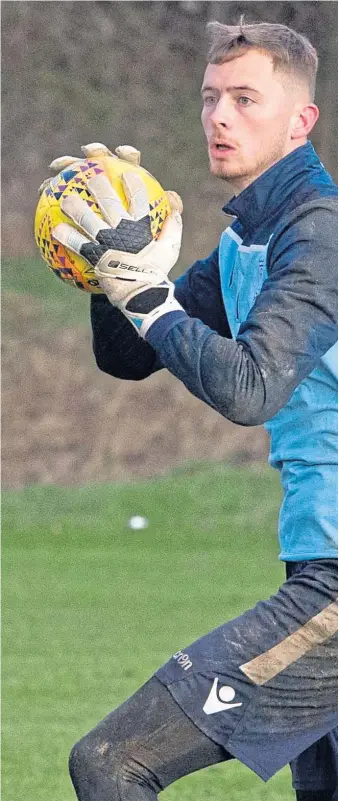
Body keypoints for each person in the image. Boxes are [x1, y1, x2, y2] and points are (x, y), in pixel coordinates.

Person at [50, 19, 338, 801]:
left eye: (245, 99)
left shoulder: (317, 234)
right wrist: (114, 269)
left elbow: (251, 387)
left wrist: (146, 294)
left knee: (112, 761)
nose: (219, 116)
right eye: (210, 97)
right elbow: (132, 352)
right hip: (318, 559)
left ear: (298, 121)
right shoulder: (253, 235)